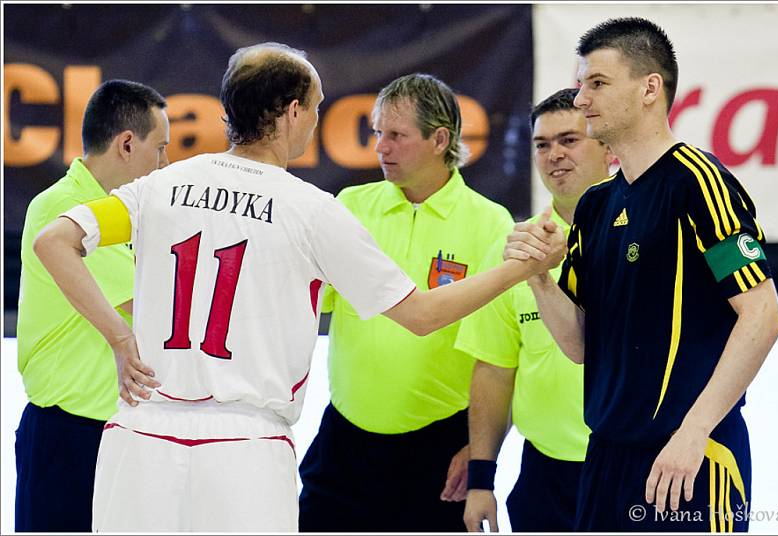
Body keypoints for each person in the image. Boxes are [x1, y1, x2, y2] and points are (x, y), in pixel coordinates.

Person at [32, 43, 557, 532]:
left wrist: (121, 342)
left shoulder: (160, 186)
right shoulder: (312, 210)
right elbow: (420, 315)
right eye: (316, 106)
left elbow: (54, 242)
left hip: (141, 437)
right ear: (290, 113)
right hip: (243, 449)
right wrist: (520, 269)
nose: (317, 120)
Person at [505, 17, 778, 532]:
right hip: (607, 455)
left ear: (650, 88)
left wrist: (694, 432)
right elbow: (581, 346)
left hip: (689, 459)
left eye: (597, 83)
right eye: (580, 83)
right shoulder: (595, 205)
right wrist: (540, 279)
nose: (581, 97)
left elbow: (763, 316)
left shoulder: (700, 184)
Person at [298, 73, 514, 532]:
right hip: (346, 440)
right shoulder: (351, 205)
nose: (380, 147)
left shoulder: (489, 223)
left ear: (440, 139)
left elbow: (502, 354)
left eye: (395, 135)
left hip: (439, 450)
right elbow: (309, 306)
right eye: (377, 132)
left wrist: (480, 453)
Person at [14, 80, 169, 532]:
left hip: (111, 432)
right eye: (159, 149)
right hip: (70, 435)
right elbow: (149, 306)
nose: (165, 164)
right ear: (126, 144)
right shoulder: (65, 209)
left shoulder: (119, 214)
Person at [459, 87, 614, 532]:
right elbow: (494, 368)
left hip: (631, 464)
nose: (554, 155)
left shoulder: (644, 238)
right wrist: (481, 480)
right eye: (542, 144)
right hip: (544, 476)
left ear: (607, 146)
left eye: (569, 140)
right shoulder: (514, 248)